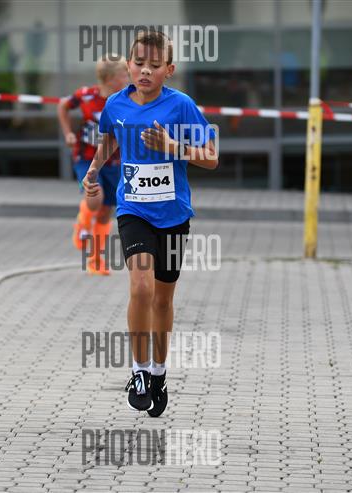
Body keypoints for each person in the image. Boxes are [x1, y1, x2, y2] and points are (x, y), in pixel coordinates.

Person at [83, 31, 218, 416]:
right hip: (134, 210)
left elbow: (211, 157)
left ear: (168, 70)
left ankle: (159, 372)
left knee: (162, 299)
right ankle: (139, 370)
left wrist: (173, 147)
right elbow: (110, 139)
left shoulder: (181, 106)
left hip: (174, 215)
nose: (145, 71)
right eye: (139, 64)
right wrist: (93, 170)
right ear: (128, 66)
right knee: (140, 287)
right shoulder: (115, 104)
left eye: (154, 66)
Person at [57, 54, 129, 275]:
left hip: (114, 160)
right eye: (124, 75)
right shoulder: (86, 95)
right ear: (109, 78)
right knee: (95, 197)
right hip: (87, 158)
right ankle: (82, 222)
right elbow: (63, 106)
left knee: (106, 210)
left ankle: (95, 260)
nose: (128, 79)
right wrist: (68, 133)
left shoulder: (126, 99)